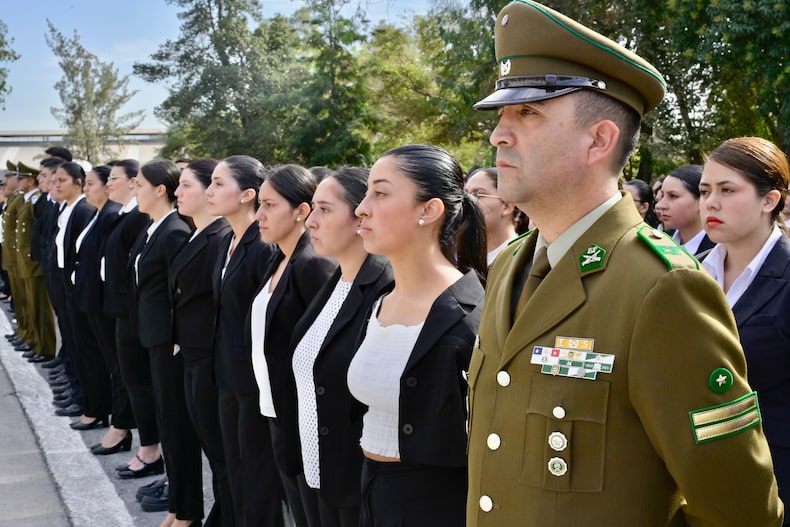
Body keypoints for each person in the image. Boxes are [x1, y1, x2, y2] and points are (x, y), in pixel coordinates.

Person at [466, 1, 783, 526]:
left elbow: (739, 511)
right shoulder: (510, 265)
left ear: (599, 140)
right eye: (501, 115)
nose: (499, 133)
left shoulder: (663, 288)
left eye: (527, 112)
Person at [348, 144, 486, 526]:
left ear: (429, 210)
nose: (362, 208)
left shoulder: (471, 317)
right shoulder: (378, 301)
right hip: (372, 494)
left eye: (380, 192)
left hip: (437, 506)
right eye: (365, 193)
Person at [291, 167, 394, 527]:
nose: (311, 222)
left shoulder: (386, 288)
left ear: (360, 217)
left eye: (324, 209)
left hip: (354, 481)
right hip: (316, 468)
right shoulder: (336, 279)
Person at [698, 136, 790, 525]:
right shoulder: (688, 271)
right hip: (697, 481)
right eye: (705, 191)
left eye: (727, 190)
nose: (711, 203)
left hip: (776, 484)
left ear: (769, 200)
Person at [249, 164, 338, 527]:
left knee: (312, 512)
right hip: (275, 408)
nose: (259, 215)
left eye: (269, 205)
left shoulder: (313, 264)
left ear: (302, 212)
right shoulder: (277, 257)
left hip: (303, 415)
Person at [206, 155, 282, 527]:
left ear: (247, 194)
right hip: (226, 375)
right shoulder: (226, 240)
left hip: (255, 383)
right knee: (234, 465)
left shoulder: (262, 246)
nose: (210, 191)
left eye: (219, 184)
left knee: (257, 476)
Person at [131, 159, 199, 527]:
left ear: (160, 189)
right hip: (154, 338)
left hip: (170, 342)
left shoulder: (173, 231)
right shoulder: (154, 228)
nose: (134, 190)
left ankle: (185, 507)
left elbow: (179, 294)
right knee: (167, 417)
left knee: (176, 424)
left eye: (140, 184)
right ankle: (178, 502)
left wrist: (174, 341)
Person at [169, 158, 233, 527]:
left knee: (221, 455)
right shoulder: (198, 233)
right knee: (212, 451)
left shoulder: (220, 237)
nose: (179, 192)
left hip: (210, 359)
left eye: (187, 185)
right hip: (192, 354)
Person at [465, 167, 526, 265]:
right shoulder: (465, 256)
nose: (467, 202)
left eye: (477, 194)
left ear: (507, 206)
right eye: (465, 194)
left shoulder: (522, 259)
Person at [654, 165, 715, 256]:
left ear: (702, 200)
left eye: (673, 196)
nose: (660, 205)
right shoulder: (661, 241)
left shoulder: (719, 251)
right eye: (662, 195)